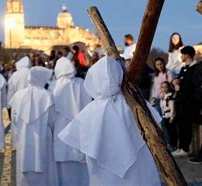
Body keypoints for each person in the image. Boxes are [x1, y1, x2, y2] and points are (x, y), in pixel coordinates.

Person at [59, 56, 161, 186]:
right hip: (139, 173)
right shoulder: (134, 104)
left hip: (103, 176)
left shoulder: (90, 112)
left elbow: (79, 150)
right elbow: (156, 127)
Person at [10, 67, 58, 186]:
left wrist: (15, 139)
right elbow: (52, 120)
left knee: (24, 163)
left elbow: (14, 120)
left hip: (23, 136)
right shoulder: (47, 95)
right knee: (44, 164)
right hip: (43, 137)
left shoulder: (18, 95)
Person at [49, 57, 91, 186]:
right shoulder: (81, 83)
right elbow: (88, 105)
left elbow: (51, 110)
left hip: (60, 127)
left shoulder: (54, 85)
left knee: (63, 163)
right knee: (81, 164)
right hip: (80, 125)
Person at [172, 46, 199, 157]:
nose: (181, 57)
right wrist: (177, 81)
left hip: (189, 102)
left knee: (186, 125)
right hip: (181, 101)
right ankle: (181, 146)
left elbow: (193, 85)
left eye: (182, 54)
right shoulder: (184, 68)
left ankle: (185, 148)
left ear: (187, 55)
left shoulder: (196, 68)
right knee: (180, 125)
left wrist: (180, 87)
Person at [159, 80, 178, 151]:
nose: (164, 89)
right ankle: (169, 144)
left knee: (172, 132)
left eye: (166, 87)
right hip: (164, 115)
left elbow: (172, 107)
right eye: (163, 87)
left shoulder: (171, 96)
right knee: (167, 131)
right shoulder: (163, 96)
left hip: (170, 116)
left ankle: (173, 145)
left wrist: (172, 117)